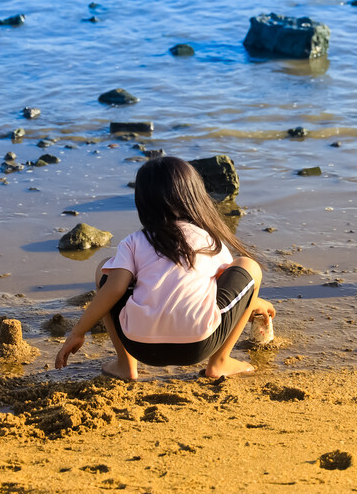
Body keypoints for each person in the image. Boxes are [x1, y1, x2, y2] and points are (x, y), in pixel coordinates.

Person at [54, 155, 275, 380]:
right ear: (194, 197)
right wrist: (254, 301)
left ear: (142, 202)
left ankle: (125, 365)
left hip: (140, 345)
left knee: (106, 270)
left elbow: (114, 290)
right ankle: (219, 363)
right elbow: (220, 288)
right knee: (249, 266)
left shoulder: (133, 242)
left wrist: (77, 332)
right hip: (199, 344)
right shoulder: (206, 239)